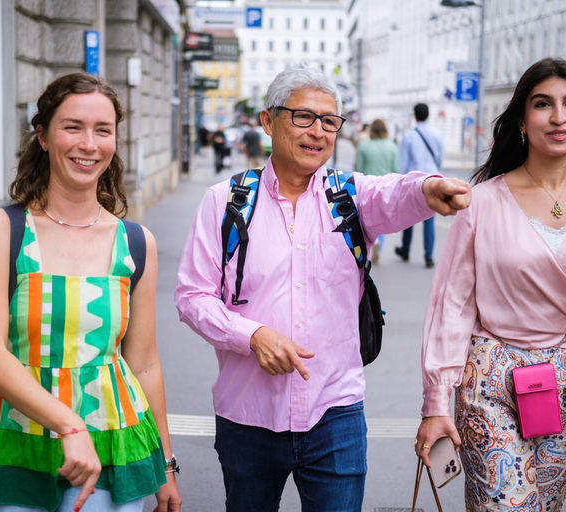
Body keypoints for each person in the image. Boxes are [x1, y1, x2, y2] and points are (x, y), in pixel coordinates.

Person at [174, 63, 471, 512]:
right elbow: (192, 296)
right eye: (304, 117)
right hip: (247, 417)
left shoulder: (349, 196)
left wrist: (429, 188)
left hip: (336, 415)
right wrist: (251, 335)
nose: (318, 132)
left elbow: (395, 193)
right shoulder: (225, 201)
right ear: (268, 121)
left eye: (330, 121)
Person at [415, 58, 566, 511]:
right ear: (522, 120)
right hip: (489, 384)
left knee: (545, 506)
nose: (559, 117)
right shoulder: (480, 200)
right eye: (543, 104)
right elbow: (451, 306)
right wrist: (436, 401)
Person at [0, 73, 182, 512]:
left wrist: (167, 466)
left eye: (103, 130)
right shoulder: (4, 229)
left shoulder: (135, 242)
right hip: (17, 439)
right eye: (72, 127)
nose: (88, 144)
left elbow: (144, 362)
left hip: (114, 443)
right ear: (42, 135)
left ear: (114, 142)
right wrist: (70, 427)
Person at [395, 103, 444, 268]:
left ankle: (405, 249)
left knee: (408, 216)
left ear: (415, 116)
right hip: (433, 178)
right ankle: (428, 255)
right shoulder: (437, 134)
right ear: (428, 115)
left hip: (414, 180)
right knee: (429, 218)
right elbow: (440, 158)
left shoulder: (409, 135)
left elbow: (403, 162)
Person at [355, 118, 400, 263]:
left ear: (371, 131)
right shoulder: (392, 147)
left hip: (367, 187)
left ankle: (370, 244)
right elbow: (396, 171)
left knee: (366, 218)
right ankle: (379, 243)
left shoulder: (364, 147)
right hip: (386, 188)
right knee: (381, 219)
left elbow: (358, 168)